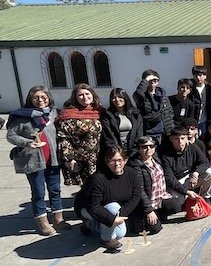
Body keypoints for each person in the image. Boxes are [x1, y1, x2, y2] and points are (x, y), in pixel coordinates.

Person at [7, 86, 71, 235]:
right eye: (36, 97)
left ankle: (58, 220)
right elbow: (11, 136)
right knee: (38, 192)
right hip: (33, 160)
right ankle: (43, 223)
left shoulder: (55, 113)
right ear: (30, 99)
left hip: (53, 160)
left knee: (55, 189)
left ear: (48, 97)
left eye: (43, 97)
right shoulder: (21, 116)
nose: (40, 100)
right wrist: (27, 142)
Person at [74, 146, 141, 252]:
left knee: (120, 232)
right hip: (87, 208)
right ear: (107, 162)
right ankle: (107, 239)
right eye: (112, 161)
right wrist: (112, 219)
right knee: (113, 209)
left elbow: (136, 196)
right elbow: (93, 207)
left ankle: (90, 224)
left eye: (120, 160)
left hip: (112, 210)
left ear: (125, 160)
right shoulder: (98, 179)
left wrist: (122, 214)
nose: (117, 164)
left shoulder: (131, 173)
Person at [128, 136, 184, 234]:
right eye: (144, 147)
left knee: (176, 205)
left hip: (160, 198)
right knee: (155, 229)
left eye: (151, 146)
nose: (148, 149)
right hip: (146, 203)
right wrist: (149, 210)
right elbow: (140, 191)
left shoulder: (156, 159)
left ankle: (158, 214)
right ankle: (147, 218)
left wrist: (185, 190)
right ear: (138, 149)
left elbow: (168, 177)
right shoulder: (135, 166)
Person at [57, 83, 104, 186]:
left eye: (87, 93)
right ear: (75, 97)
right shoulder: (69, 114)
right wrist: (69, 159)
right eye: (80, 95)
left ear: (92, 94)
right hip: (81, 160)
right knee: (88, 187)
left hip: (99, 157)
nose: (85, 97)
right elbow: (64, 138)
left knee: (100, 186)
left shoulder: (99, 111)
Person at [160, 126, 211, 206]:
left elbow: (205, 162)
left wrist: (196, 173)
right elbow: (170, 179)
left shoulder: (193, 147)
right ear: (171, 139)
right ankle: (189, 197)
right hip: (177, 181)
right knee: (177, 203)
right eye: (176, 139)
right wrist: (186, 192)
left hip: (191, 177)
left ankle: (205, 198)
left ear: (187, 138)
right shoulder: (166, 156)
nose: (180, 141)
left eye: (182, 138)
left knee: (210, 173)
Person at [133, 69, 174, 145]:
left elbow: (170, 113)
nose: (152, 82)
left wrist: (170, 130)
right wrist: (146, 79)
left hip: (164, 134)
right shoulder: (142, 97)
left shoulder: (163, 96)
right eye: (150, 80)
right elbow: (138, 93)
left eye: (155, 80)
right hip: (149, 134)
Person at [101, 88, 143, 159]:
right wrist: (118, 152)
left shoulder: (135, 114)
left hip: (133, 150)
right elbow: (109, 136)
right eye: (114, 98)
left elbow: (139, 134)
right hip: (116, 151)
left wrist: (134, 151)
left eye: (120, 97)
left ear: (125, 98)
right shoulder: (108, 116)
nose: (117, 100)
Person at [190, 65, 211, 135]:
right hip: (193, 120)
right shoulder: (190, 88)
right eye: (195, 75)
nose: (198, 77)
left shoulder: (209, 88)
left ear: (205, 76)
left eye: (200, 75)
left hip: (205, 120)